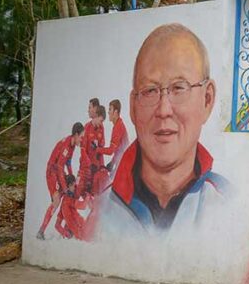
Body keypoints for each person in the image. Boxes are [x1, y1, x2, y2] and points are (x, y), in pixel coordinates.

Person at [88, 23, 228, 234]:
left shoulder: (229, 206)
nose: (163, 110)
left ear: (207, 100)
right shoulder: (101, 215)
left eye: (179, 88)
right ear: (133, 107)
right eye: (150, 91)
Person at [36, 122, 83, 240]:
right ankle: (41, 231)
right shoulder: (67, 146)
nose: (82, 140)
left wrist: (71, 177)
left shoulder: (71, 145)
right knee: (57, 200)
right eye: (81, 137)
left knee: (67, 195)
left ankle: (64, 229)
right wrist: (65, 187)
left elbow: (68, 163)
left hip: (58, 172)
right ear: (76, 135)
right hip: (52, 172)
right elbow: (60, 167)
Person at [92, 99, 130, 194]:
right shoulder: (118, 125)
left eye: (110, 109)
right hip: (121, 161)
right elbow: (119, 150)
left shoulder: (118, 127)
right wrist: (112, 163)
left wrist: (97, 150)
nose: (108, 112)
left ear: (116, 112)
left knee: (110, 187)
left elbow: (110, 151)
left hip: (124, 164)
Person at [77, 105, 106, 197]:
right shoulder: (86, 128)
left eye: (103, 122)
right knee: (80, 191)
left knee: (96, 192)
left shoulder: (101, 128)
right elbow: (83, 150)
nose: (101, 123)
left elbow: (101, 151)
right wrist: (89, 164)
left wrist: (102, 166)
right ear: (96, 116)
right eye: (100, 120)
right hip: (86, 168)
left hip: (96, 168)